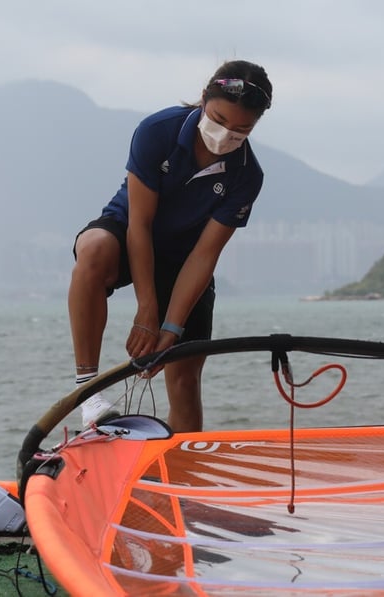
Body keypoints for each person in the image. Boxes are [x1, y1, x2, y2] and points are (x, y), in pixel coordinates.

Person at [67, 60, 273, 432]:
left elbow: (204, 254)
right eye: (218, 119)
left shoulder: (248, 175)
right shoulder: (157, 130)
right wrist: (147, 311)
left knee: (184, 377)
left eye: (242, 129)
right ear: (203, 99)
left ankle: (183, 474)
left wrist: (171, 327)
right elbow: (140, 226)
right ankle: (89, 393)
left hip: (186, 259)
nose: (226, 134)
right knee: (93, 248)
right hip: (128, 233)